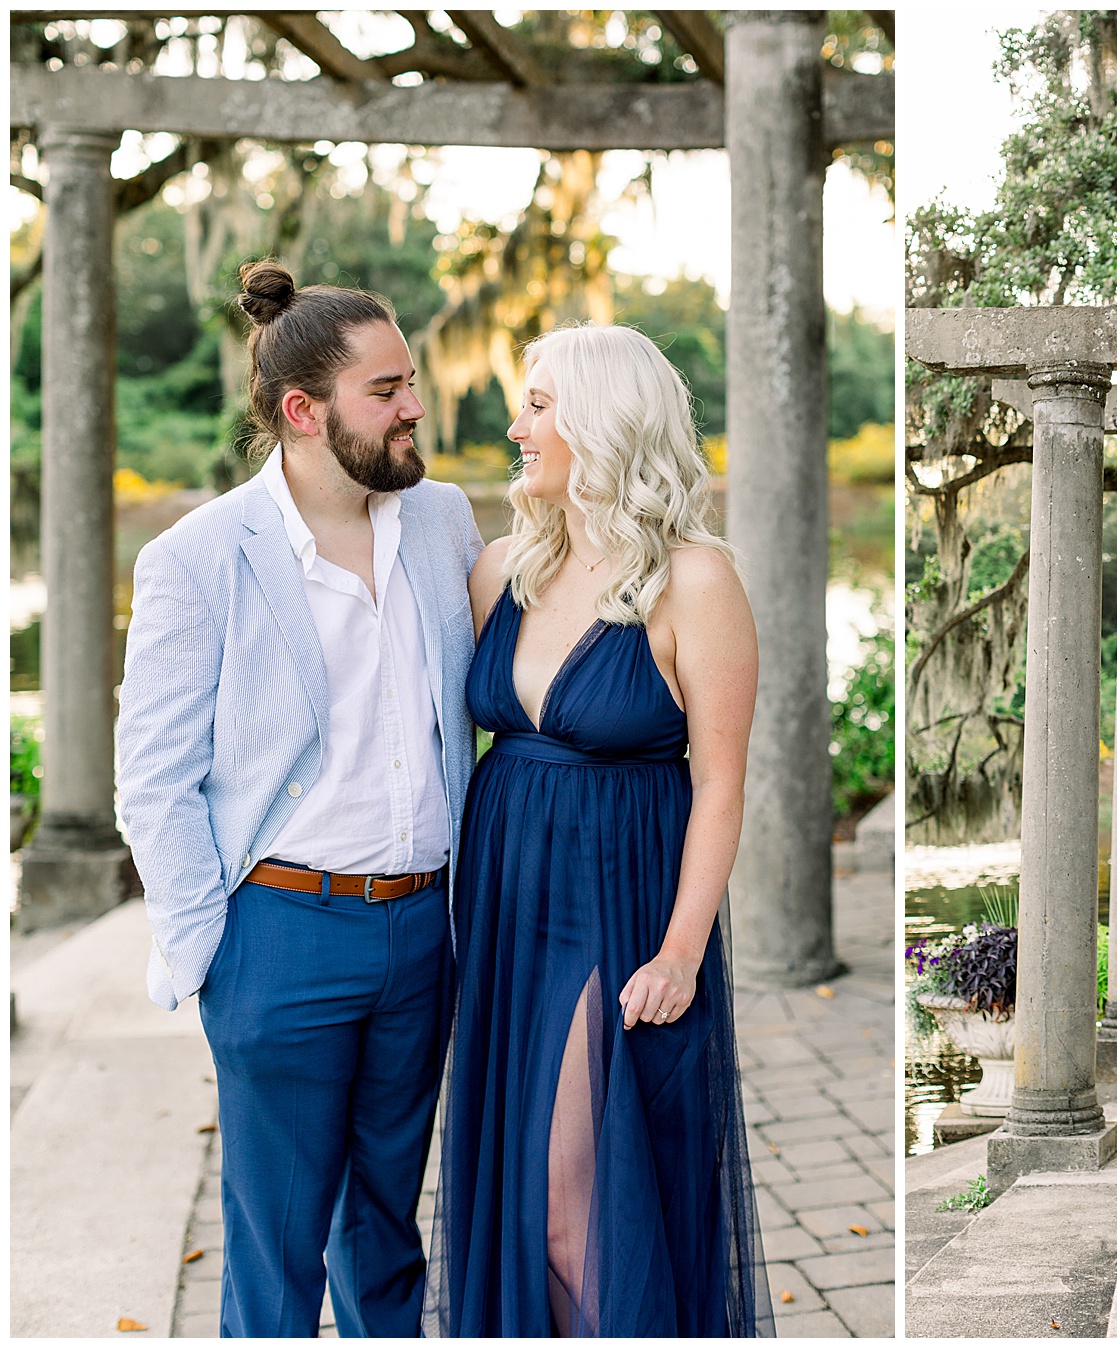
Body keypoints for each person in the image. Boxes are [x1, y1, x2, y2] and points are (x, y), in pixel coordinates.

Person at [116, 260, 485, 1335]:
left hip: (423, 929)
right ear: (303, 411)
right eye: (387, 390)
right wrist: (210, 948)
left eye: (411, 382)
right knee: (276, 1254)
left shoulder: (444, 520)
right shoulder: (198, 557)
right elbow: (155, 777)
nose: (414, 407)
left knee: (386, 1236)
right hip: (279, 937)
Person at [426, 323, 772, 1336]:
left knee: (574, 1192)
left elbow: (720, 784)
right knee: (515, 1187)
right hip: (503, 913)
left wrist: (680, 951)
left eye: (537, 405)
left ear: (603, 422)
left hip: (617, 905)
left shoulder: (693, 580)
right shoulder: (501, 570)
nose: (515, 427)